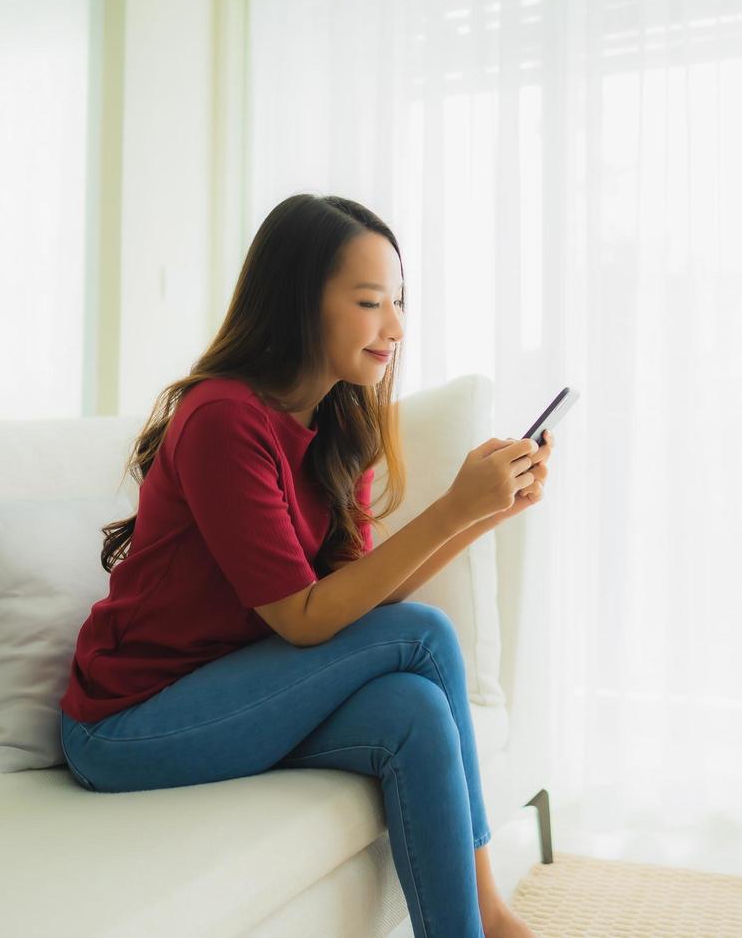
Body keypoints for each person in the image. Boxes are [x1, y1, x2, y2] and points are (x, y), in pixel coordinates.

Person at [58, 193, 553, 938]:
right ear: (299, 301)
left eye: (399, 302)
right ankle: (490, 916)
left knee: (415, 710)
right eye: (369, 301)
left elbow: (359, 599)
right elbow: (303, 616)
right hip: (130, 723)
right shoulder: (223, 419)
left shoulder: (332, 424)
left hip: (239, 686)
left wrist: (484, 511)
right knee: (423, 636)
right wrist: (453, 508)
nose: (394, 327)